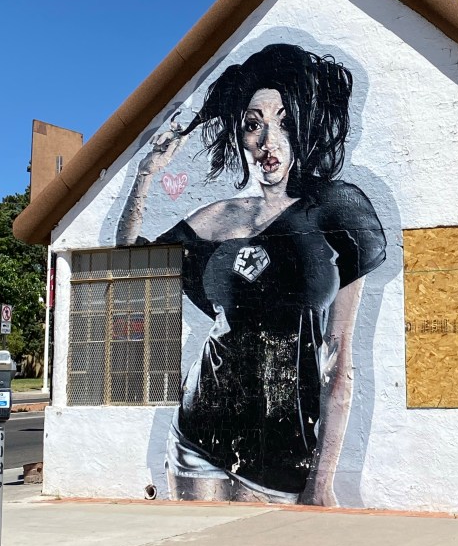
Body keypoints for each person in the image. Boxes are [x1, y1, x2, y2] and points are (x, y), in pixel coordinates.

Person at [116, 43, 386, 505]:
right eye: (253, 124)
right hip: (197, 435)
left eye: (283, 121)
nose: (268, 140)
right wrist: (145, 175)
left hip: (285, 450)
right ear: (240, 136)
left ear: (304, 125)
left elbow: (338, 359)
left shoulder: (338, 210)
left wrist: (321, 482)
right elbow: (132, 262)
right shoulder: (218, 216)